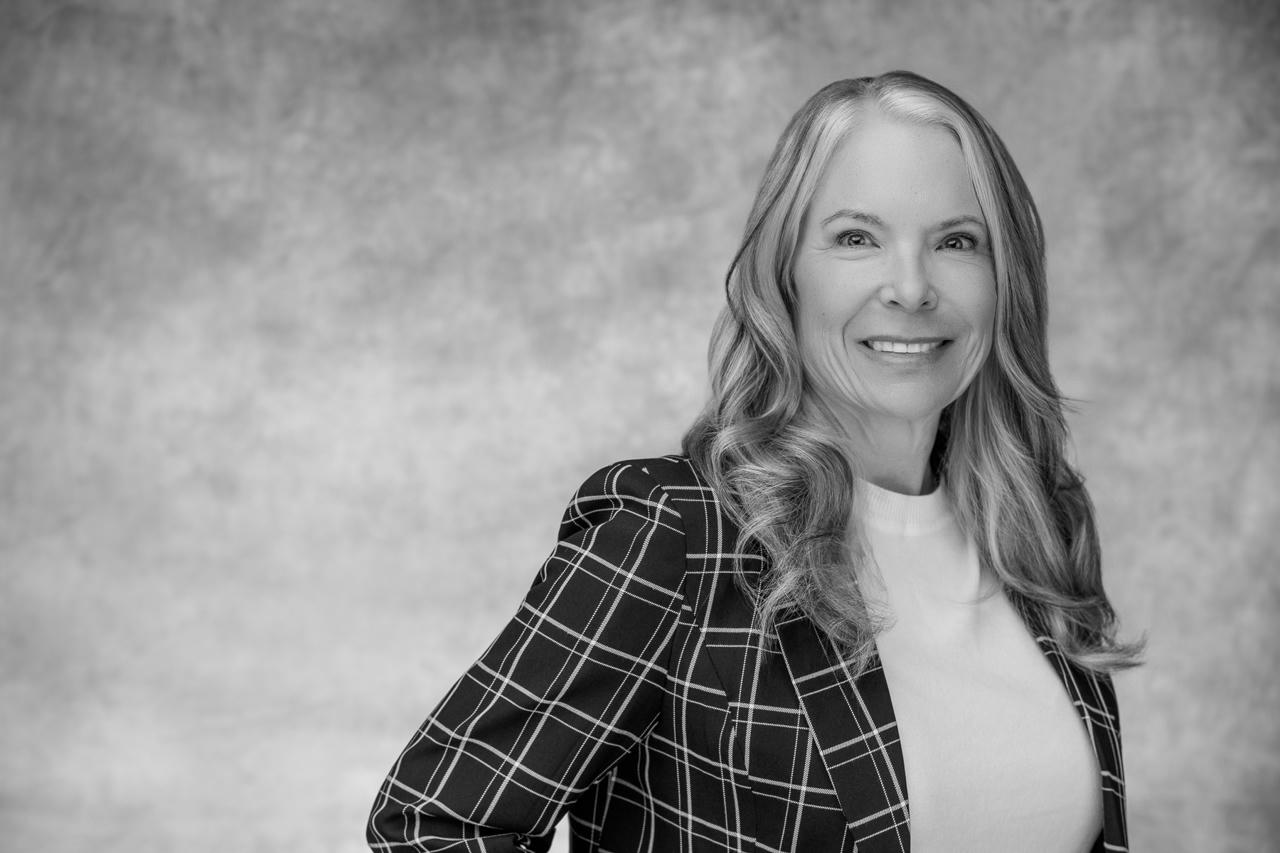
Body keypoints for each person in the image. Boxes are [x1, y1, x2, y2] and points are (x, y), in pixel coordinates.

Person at [367, 71, 1141, 853]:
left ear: (1005, 279)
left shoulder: (1039, 532)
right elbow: (433, 823)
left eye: (956, 241)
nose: (911, 287)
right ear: (786, 275)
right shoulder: (680, 535)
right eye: (856, 238)